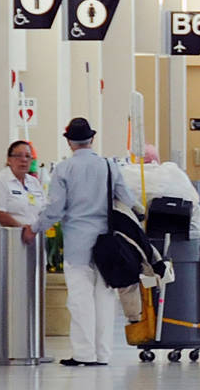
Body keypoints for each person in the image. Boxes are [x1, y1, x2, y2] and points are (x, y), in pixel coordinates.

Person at [37, 117, 138, 368]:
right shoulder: (108, 166)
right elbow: (127, 197)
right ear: (91, 139)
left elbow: (55, 209)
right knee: (104, 298)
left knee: (80, 299)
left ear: (69, 142)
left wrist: (36, 228)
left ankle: (84, 353)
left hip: (77, 243)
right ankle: (103, 354)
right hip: (106, 244)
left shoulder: (63, 169)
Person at [120, 145, 200, 243]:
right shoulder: (175, 173)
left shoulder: (127, 175)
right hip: (190, 240)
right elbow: (195, 198)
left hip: (144, 241)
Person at [0, 140, 47, 244]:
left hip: (34, 239)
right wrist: (23, 230)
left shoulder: (34, 182)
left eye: (28, 156)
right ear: (9, 159)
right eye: (18, 156)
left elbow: (43, 209)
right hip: (10, 240)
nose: (23, 160)